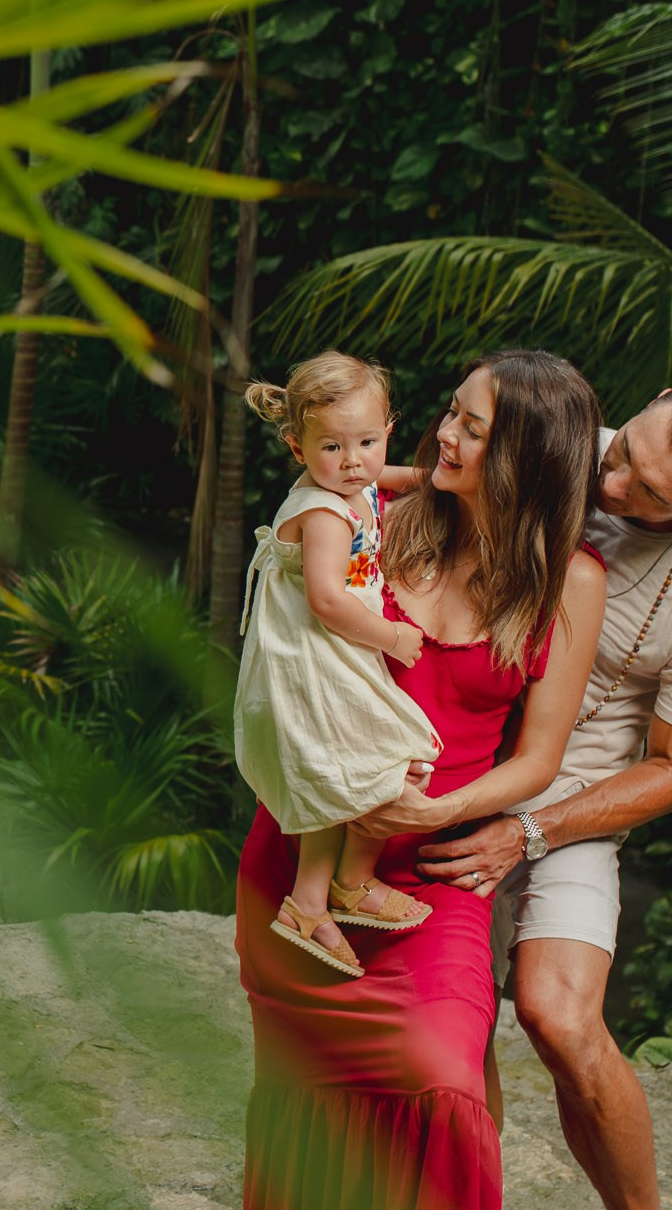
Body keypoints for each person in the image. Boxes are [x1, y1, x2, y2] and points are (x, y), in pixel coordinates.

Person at [237, 347, 607, 1210]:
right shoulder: (371, 507)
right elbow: (335, 459)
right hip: (309, 862)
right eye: (450, 413)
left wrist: (435, 808)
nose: (444, 435)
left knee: (443, 1076)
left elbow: (538, 759)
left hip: (430, 872)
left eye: (472, 430)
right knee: (307, 1097)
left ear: (523, 459)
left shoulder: (569, 579)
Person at [411, 377, 672, 1210]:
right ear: (650, 401)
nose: (612, 488)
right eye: (622, 456)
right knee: (451, 1030)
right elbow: (435, 481)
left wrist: (527, 831)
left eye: (649, 493)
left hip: (566, 811)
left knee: (559, 1018)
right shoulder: (562, 440)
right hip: (451, 764)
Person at [233, 351, 443, 980]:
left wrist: (443, 481)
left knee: (337, 778)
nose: (354, 461)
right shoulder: (324, 510)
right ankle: (342, 884)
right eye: (332, 447)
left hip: (329, 653)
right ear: (297, 448)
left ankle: (317, 898)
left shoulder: (358, 480)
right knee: (398, 753)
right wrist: (391, 638)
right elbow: (326, 600)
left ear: (388, 430)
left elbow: (400, 477)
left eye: (368, 442)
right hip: (313, 658)